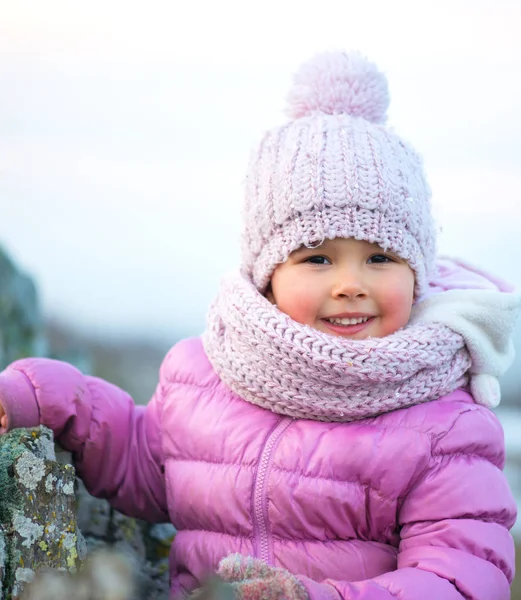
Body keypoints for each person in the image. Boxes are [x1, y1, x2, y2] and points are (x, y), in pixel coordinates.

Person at [0, 51, 519, 600]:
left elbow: (460, 580)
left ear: (417, 273)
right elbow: (148, 465)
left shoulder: (444, 426)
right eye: (317, 259)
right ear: (268, 275)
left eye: (381, 258)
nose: (350, 283)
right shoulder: (208, 376)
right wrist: (41, 395)